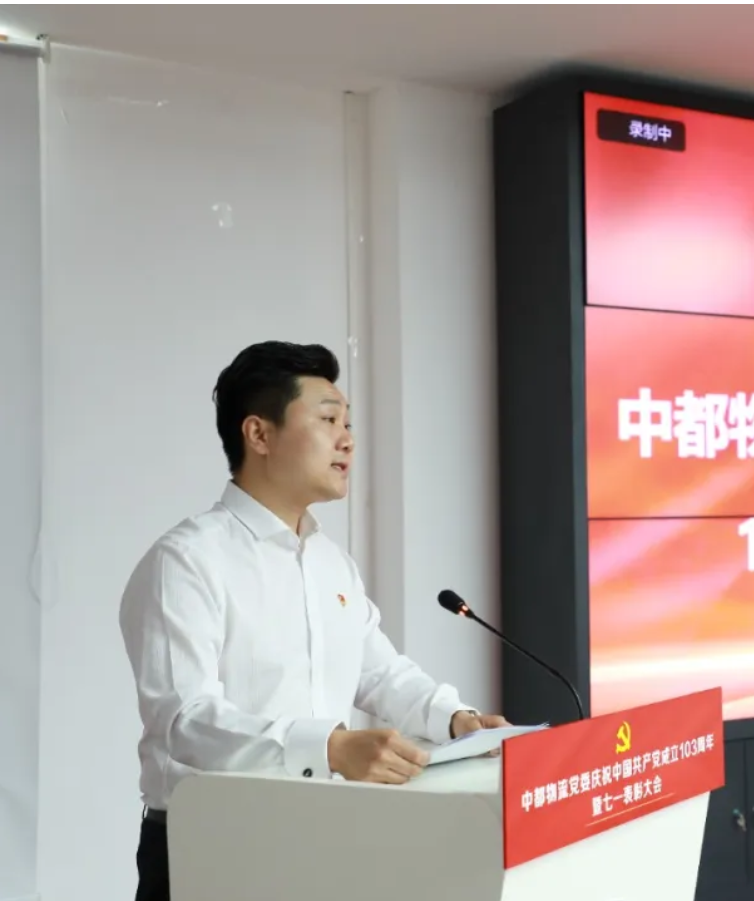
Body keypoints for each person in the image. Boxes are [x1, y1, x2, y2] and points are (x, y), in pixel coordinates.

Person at [119, 341, 507, 901]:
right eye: (328, 420)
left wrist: (457, 721)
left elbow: (380, 673)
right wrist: (328, 748)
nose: (347, 439)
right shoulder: (186, 560)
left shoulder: (331, 562)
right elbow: (186, 722)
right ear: (259, 434)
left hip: (321, 832)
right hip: (212, 845)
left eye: (348, 422)